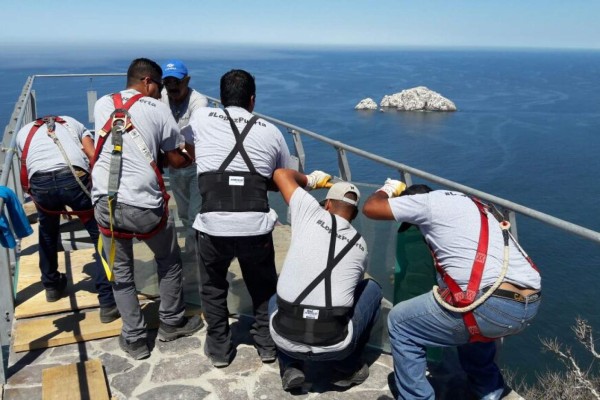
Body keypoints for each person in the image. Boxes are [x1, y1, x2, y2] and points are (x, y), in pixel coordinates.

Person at [362, 180, 542, 400]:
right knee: (469, 322)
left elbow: (371, 208)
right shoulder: (477, 207)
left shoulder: (426, 203)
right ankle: (488, 391)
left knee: (400, 322)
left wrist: (388, 189)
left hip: (490, 305)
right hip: (528, 304)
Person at [91, 58, 203, 360]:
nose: (160, 93)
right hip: (144, 205)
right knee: (168, 261)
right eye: (158, 87)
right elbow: (175, 160)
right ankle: (170, 323)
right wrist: (193, 153)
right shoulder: (158, 108)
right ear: (147, 82)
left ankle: (135, 339)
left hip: (105, 202)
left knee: (122, 273)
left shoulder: (103, 104)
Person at [183, 69, 292, 367]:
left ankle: (219, 350)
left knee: (213, 286)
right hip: (255, 225)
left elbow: (190, 151)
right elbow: (280, 176)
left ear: (220, 98)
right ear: (252, 100)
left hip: (212, 224)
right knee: (263, 286)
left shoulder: (202, 118)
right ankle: (267, 345)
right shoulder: (271, 131)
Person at [268, 168, 383, 391]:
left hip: (284, 338)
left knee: (276, 296)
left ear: (327, 205)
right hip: (334, 345)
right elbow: (351, 288)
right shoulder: (360, 245)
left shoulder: (309, 213)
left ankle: (290, 365)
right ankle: (348, 367)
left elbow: (281, 174)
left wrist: (312, 181)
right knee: (372, 288)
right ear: (355, 214)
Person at [16, 115, 118, 322]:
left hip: (41, 182)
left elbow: (27, 167)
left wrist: (53, 197)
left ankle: (51, 285)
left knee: (47, 231)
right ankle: (107, 301)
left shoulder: (24, 132)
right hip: (73, 177)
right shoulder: (75, 124)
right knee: (99, 233)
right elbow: (92, 156)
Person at [160, 59, 208, 258]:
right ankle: (194, 252)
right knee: (185, 214)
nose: (172, 87)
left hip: (195, 164)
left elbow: (195, 137)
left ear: (187, 80)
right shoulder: (161, 97)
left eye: (176, 82)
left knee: (196, 213)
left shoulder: (199, 102)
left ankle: (193, 254)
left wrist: (169, 149)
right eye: (168, 82)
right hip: (175, 163)